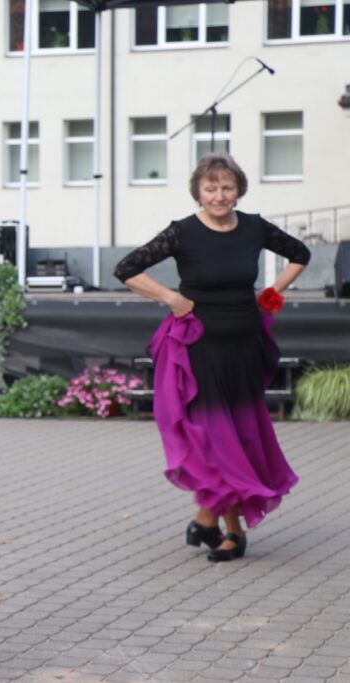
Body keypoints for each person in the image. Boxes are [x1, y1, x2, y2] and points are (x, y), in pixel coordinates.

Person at [114, 153, 310, 562]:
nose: (219, 196)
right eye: (210, 188)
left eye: (226, 187)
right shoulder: (183, 232)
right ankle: (228, 529)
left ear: (238, 190)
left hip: (244, 345)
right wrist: (170, 298)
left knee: (239, 435)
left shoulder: (254, 227)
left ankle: (208, 521)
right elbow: (128, 268)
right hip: (199, 347)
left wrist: (271, 293)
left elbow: (300, 254)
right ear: (198, 193)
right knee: (215, 437)